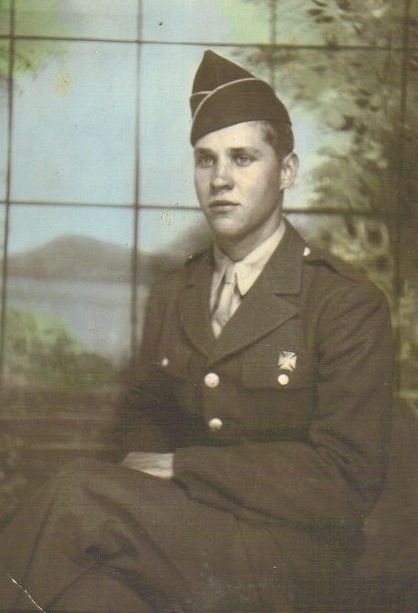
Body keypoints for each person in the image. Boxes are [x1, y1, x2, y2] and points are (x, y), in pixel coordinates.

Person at [0, 50, 393, 612]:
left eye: (242, 158)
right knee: (90, 596)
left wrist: (185, 467)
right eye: (206, 160)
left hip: (290, 555)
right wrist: (150, 479)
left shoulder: (344, 303)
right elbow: (144, 418)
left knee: (77, 495)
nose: (220, 179)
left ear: (286, 171)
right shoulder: (177, 292)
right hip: (180, 536)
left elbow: (347, 479)